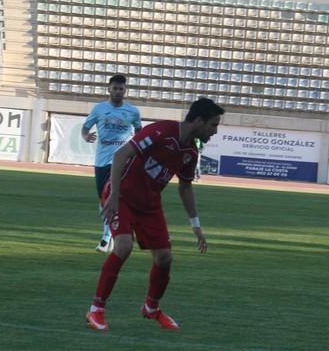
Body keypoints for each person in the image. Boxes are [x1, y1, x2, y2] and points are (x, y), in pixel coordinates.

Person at [85, 97, 225, 332]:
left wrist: (196, 226)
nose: (215, 131)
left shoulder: (190, 151)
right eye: (213, 125)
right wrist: (115, 196)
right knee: (122, 246)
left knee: (165, 258)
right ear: (199, 121)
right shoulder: (162, 131)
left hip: (149, 203)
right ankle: (96, 310)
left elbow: (185, 186)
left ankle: (151, 308)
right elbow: (121, 156)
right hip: (123, 196)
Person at [82, 74, 142, 252]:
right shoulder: (99, 109)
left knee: (121, 198)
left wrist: (136, 149)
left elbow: (140, 132)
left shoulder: (132, 112)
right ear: (109, 89)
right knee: (104, 199)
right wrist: (86, 137)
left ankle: (108, 237)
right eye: (115, 88)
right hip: (102, 161)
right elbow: (85, 128)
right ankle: (114, 233)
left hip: (123, 161)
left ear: (125, 90)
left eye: (121, 88)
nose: (117, 91)